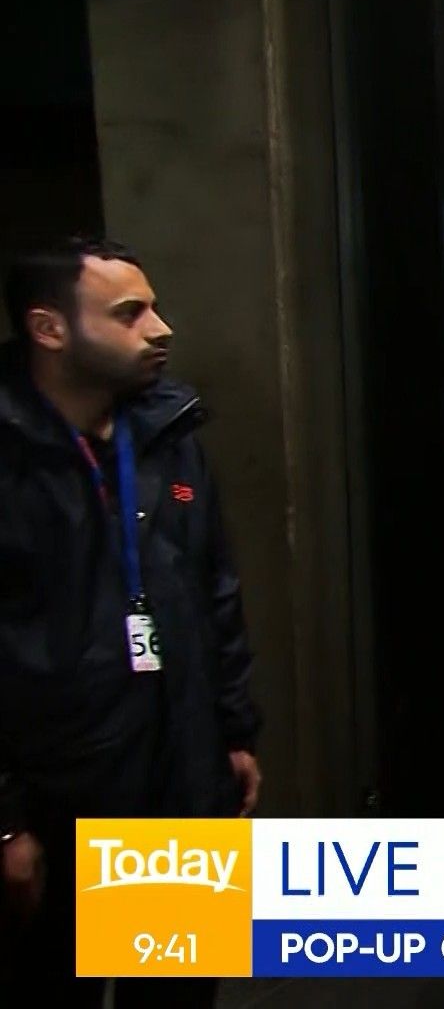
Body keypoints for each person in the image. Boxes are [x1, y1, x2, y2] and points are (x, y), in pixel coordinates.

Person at [1, 238, 261, 1008]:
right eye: (129, 313)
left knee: (176, 991)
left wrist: (232, 730)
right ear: (49, 329)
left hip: (176, 776)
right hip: (60, 800)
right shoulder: (13, 455)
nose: (160, 328)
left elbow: (215, 590)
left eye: (154, 307)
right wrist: (5, 819)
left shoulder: (167, 435)